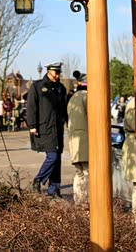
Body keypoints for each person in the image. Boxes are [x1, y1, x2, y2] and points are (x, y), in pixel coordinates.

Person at [27, 62, 67, 197]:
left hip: (58, 128)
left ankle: (54, 189)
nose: (57, 75)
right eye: (56, 72)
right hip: (45, 127)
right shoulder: (38, 86)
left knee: (57, 158)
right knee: (52, 156)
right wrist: (32, 125)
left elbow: (64, 108)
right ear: (48, 71)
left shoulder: (61, 88)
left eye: (59, 73)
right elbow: (31, 106)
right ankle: (38, 179)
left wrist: (67, 122)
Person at [67, 73, 88, 205]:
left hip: (74, 141)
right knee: (88, 172)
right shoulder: (87, 96)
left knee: (79, 172)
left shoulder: (72, 98)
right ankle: (87, 202)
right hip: (86, 140)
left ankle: (79, 201)